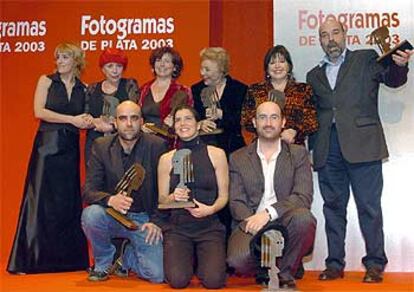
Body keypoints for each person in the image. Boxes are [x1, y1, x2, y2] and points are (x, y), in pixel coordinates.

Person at [306, 19, 413, 283]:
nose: (330, 39)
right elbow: (313, 115)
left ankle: (375, 263)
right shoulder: (313, 75)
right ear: (319, 40)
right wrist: (311, 148)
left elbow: (393, 80)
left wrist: (400, 65)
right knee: (333, 208)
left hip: (364, 145)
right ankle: (334, 264)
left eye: (334, 33)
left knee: (369, 207)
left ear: (345, 34)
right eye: (323, 35)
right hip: (327, 148)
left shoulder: (366, 59)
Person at [7, 42, 91, 274]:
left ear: (76, 61)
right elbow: (39, 112)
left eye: (64, 57)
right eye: (58, 57)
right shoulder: (46, 81)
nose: (59, 61)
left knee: (67, 203)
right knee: (39, 200)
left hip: (70, 148)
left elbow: (86, 117)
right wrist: (72, 120)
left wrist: (88, 121)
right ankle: (29, 261)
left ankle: (70, 262)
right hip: (47, 146)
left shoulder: (83, 88)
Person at [227, 101, 316, 290]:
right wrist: (253, 221)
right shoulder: (237, 157)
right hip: (251, 221)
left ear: (283, 122)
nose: (268, 122)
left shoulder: (298, 154)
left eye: (274, 117)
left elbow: (303, 196)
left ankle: (285, 272)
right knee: (237, 261)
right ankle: (266, 267)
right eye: (263, 117)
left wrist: (268, 214)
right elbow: (236, 201)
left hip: (284, 218)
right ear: (254, 122)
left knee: (304, 218)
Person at [81, 101, 167, 282]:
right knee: (91, 215)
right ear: (115, 122)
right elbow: (88, 190)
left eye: (134, 118)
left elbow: (166, 190)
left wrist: (156, 221)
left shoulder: (158, 146)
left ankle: (126, 257)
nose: (129, 124)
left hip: (144, 220)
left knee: (157, 275)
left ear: (142, 122)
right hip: (113, 216)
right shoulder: (101, 146)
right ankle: (104, 263)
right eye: (123, 118)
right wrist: (110, 200)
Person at [158, 105, 229, 289]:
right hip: (178, 228)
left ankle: (203, 263)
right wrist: (173, 197)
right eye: (178, 120)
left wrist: (210, 209)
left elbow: (224, 196)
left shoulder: (217, 154)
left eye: (188, 118)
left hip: (209, 227)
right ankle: (188, 262)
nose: (183, 123)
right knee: (178, 280)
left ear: (198, 125)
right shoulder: (166, 159)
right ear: (173, 127)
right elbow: (162, 201)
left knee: (214, 281)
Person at [242, 45, 318, 145]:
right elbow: (246, 120)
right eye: (272, 63)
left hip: (293, 148)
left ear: (289, 66)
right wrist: (267, 129)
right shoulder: (255, 90)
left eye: (282, 62)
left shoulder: (303, 90)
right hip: (263, 146)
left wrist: (295, 131)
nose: (277, 66)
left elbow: (312, 121)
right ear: (267, 68)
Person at [85, 48, 139, 164]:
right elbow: (85, 115)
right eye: (110, 66)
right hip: (95, 142)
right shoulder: (92, 88)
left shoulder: (129, 85)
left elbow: (135, 114)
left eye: (119, 66)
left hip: (123, 142)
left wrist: (112, 126)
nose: (115, 71)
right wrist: (93, 122)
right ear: (103, 69)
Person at [192, 47, 247, 156]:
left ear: (221, 70)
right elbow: (190, 116)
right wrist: (199, 123)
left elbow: (243, 120)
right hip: (203, 147)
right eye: (201, 68)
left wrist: (221, 115)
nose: (202, 73)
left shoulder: (239, 89)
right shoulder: (196, 89)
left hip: (232, 149)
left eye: (207, 70)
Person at [139, 47, 192, 146]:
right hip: (144, 143)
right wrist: (141, 126)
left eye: (167, 61)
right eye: (158, 60)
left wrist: (176, 122)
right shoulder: (143, 90)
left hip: (171, 145)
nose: (162, 64)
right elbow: (136, 116)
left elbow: (190, 120)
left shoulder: (183, 91)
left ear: (175, 67)